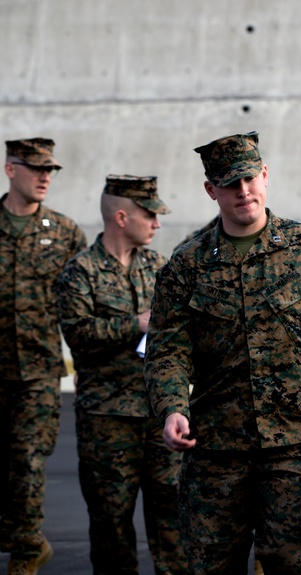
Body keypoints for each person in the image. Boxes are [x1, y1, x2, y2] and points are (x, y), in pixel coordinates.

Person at [143, 131, 301, 574]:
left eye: (250, 179)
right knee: (211, 566)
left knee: (295, 565)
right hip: (215, 448)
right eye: (230, 184)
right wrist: (171, 409)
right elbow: (167, 351)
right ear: (210, 190)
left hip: (293, 448)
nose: (243, 192)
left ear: (266, 176)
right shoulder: (185, 265)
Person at [54, 175, 185, 574]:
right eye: (151, 215)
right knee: (111, 525)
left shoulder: (158, 265)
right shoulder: (80, 272)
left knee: (174, 523)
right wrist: (136, 324)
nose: (157, 224)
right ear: (123, 217)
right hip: (107, 421)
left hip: (158, 416)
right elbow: (78, 334)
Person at [1, 137, 86, 574]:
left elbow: (84, 301)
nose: (45, 178)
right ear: (10, 169)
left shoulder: (67, 232)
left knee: (29, 461)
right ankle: (21, 535)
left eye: (50, 170)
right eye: (36, 169)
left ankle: (26, 552)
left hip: (38, 371)